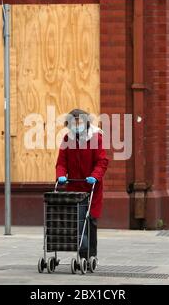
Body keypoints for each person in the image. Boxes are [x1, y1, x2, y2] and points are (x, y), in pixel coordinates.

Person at [55, 109, 109, 260]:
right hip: (74, 188)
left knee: (90, 220)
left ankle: (90, 255)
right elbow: (61, 163)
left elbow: (102, 161)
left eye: (79, 122)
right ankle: (82, 252)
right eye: (74, 122)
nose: (76, 125)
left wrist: (94, 176)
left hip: (91, 187)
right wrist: (60, 176)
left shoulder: (95, 138)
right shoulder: (67, 139)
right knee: (77, 220)